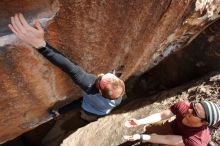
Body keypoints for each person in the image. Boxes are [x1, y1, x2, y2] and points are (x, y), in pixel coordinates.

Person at [8, 13, 125, 122]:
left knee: (79, 104)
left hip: (89, 107)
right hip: (100, 111)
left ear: (99, 89)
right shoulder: (117, 99)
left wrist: (41, 45)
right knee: (80, 105)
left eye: (104, 77)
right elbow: (112, 86)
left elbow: (69, 68)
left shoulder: (88, 85)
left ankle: (58, 112)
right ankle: (57, 113)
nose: (106, 74)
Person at [124, 100, 220, 146]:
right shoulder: (184, 106)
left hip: (186, 142)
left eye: (195, 113)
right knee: (151, 131)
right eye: (194, 105)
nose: (189, 110)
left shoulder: (196, 141)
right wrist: (139, 122)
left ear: (204, 123)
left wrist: (140, 137)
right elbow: (161, 116)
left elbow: (166, 139)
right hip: (174, 126)